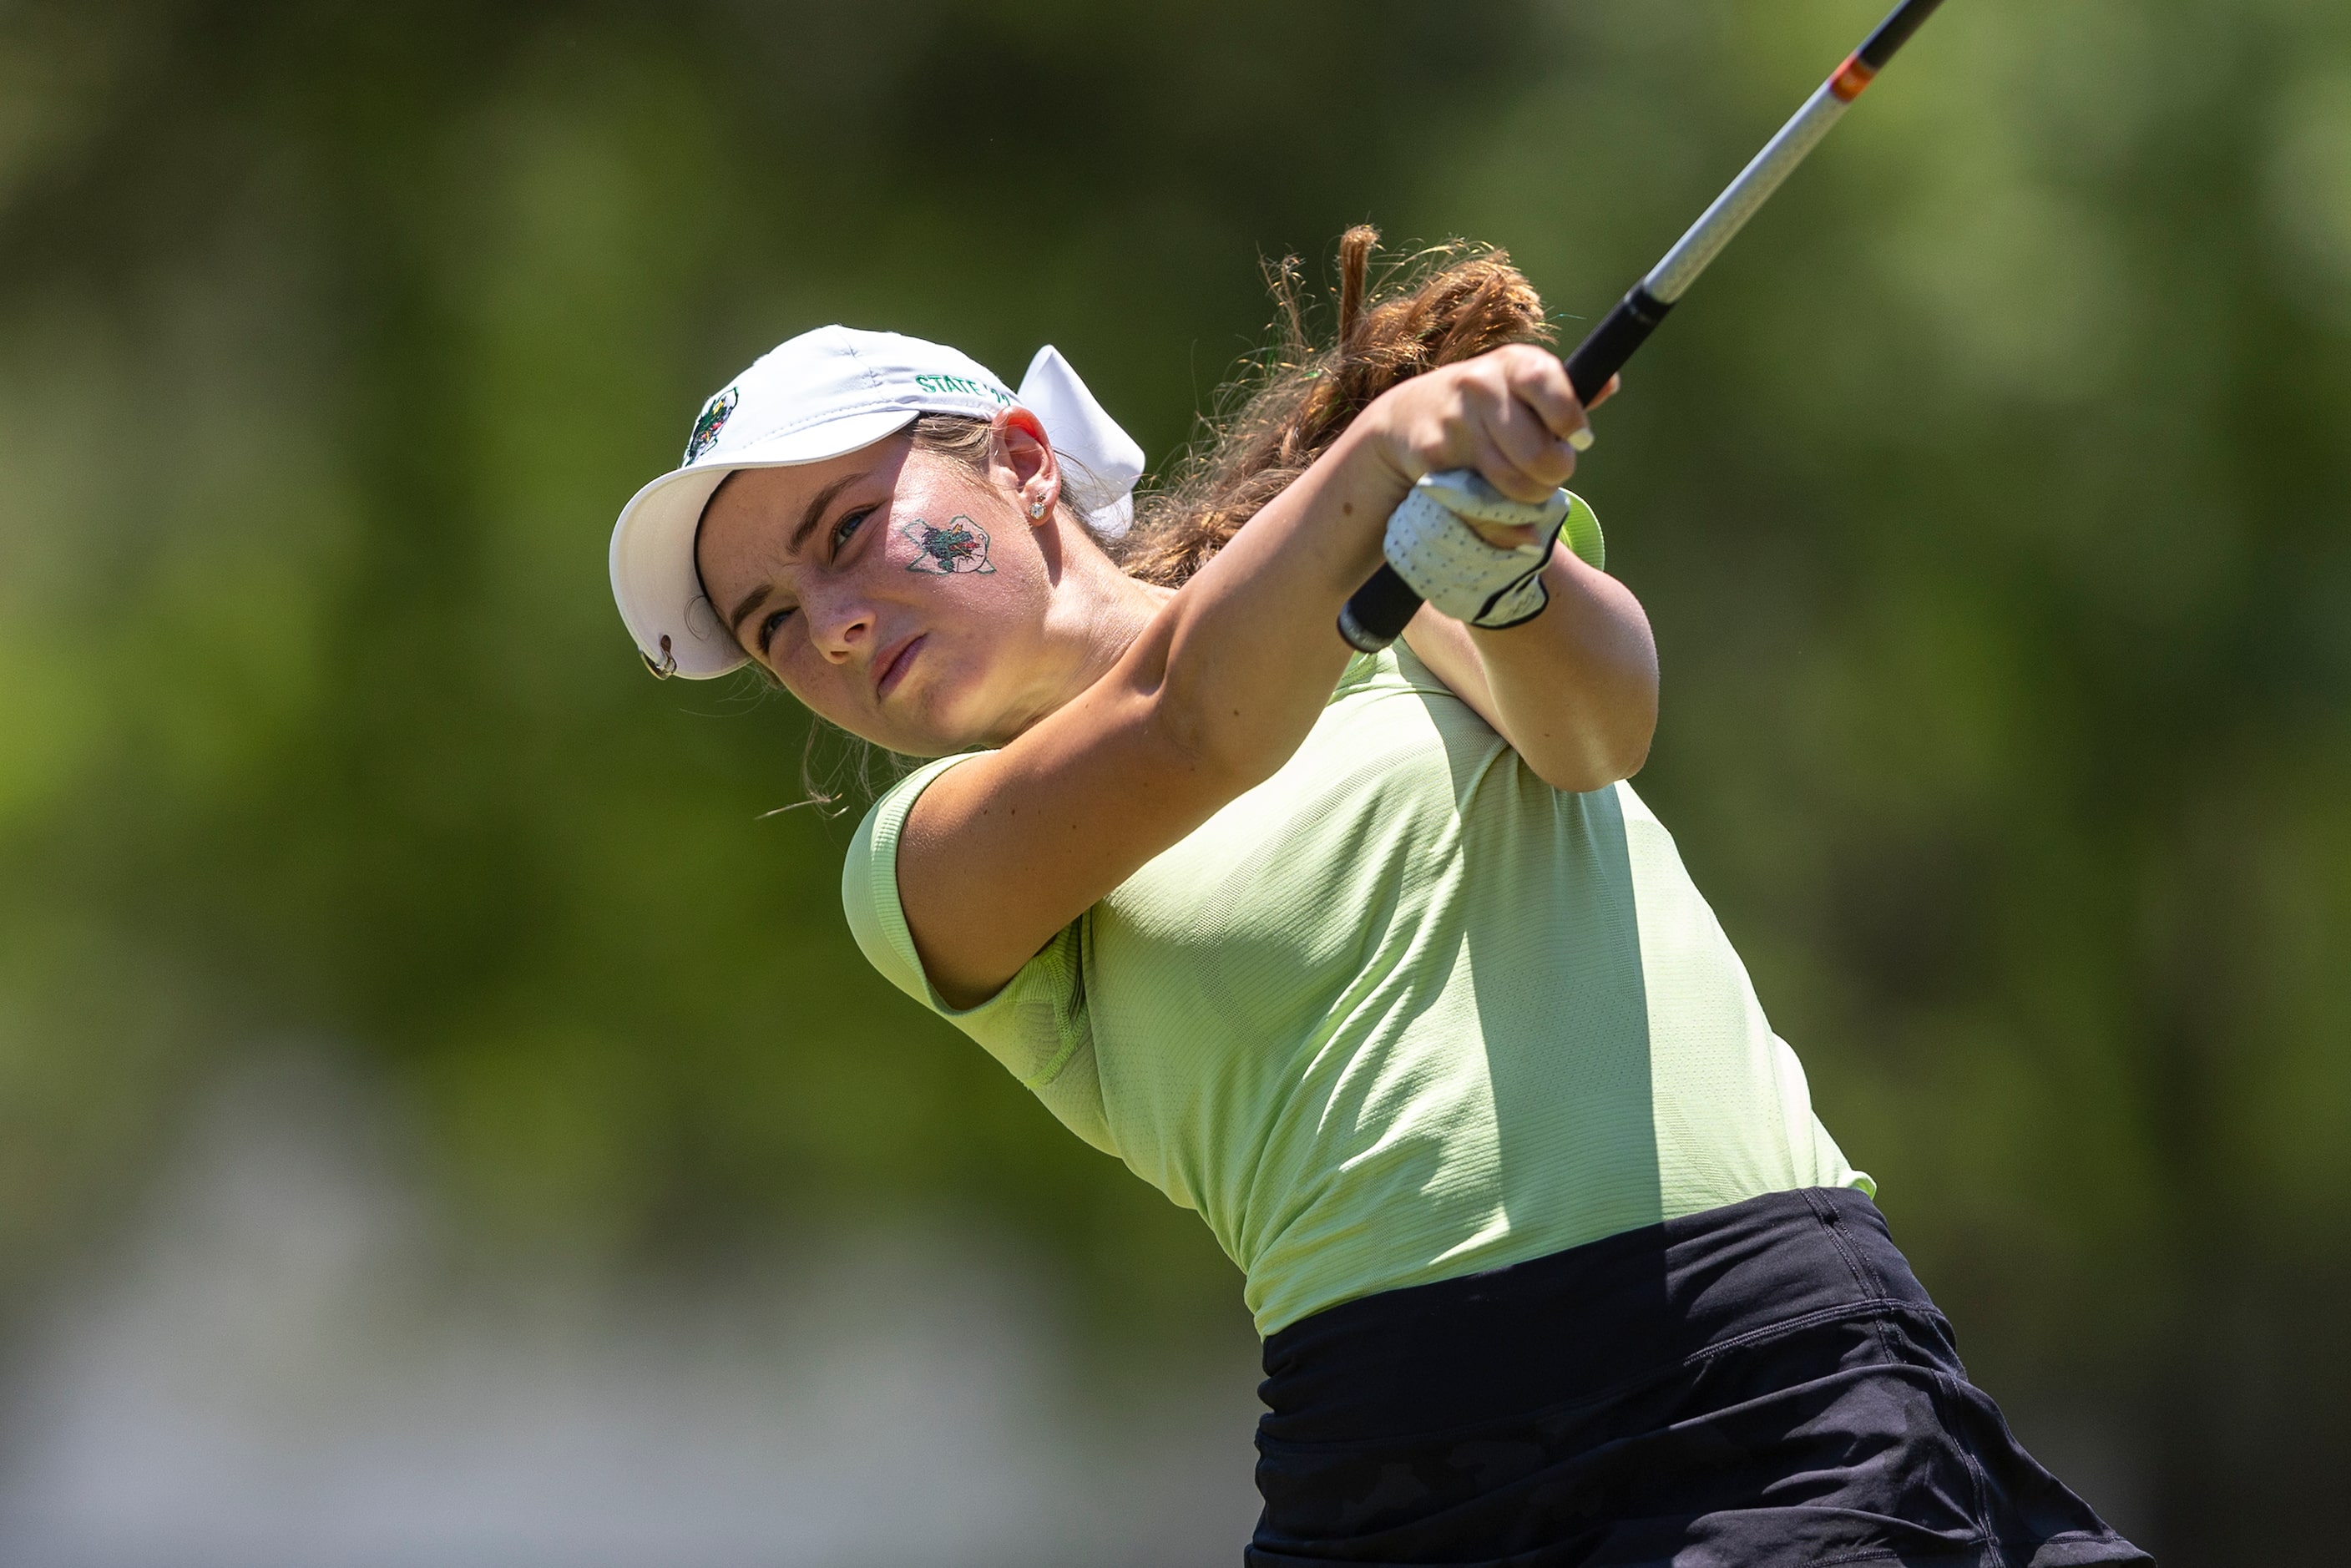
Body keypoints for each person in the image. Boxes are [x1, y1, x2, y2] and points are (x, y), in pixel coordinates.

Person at [608, 230, 2149, 1566]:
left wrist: (1506, 575)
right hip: (1401, 1453)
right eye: (768, 622)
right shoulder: (919, 857)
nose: (829, 622)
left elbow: (1601, 731)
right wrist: (1388, 451)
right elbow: (1193, 717)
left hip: (1748, 1352)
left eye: (845, 534)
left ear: (1018, 460)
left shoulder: (1393, 587)